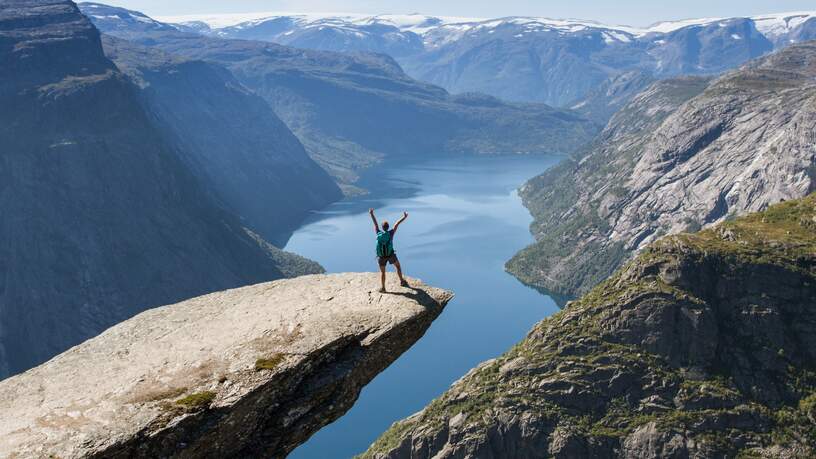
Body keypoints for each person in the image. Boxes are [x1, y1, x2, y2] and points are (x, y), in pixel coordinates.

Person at [369, 208, 409, 293]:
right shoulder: (390, 233)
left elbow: (375, 224)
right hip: (391, 255)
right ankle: (402, 281)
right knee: (397, 266)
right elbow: (396, 224)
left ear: (382, 227)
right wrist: (404, 217)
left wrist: (371, 214)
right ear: (388, 227)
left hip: (381, 257)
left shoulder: (378, 233)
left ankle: (383, 288)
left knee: (383, 272)